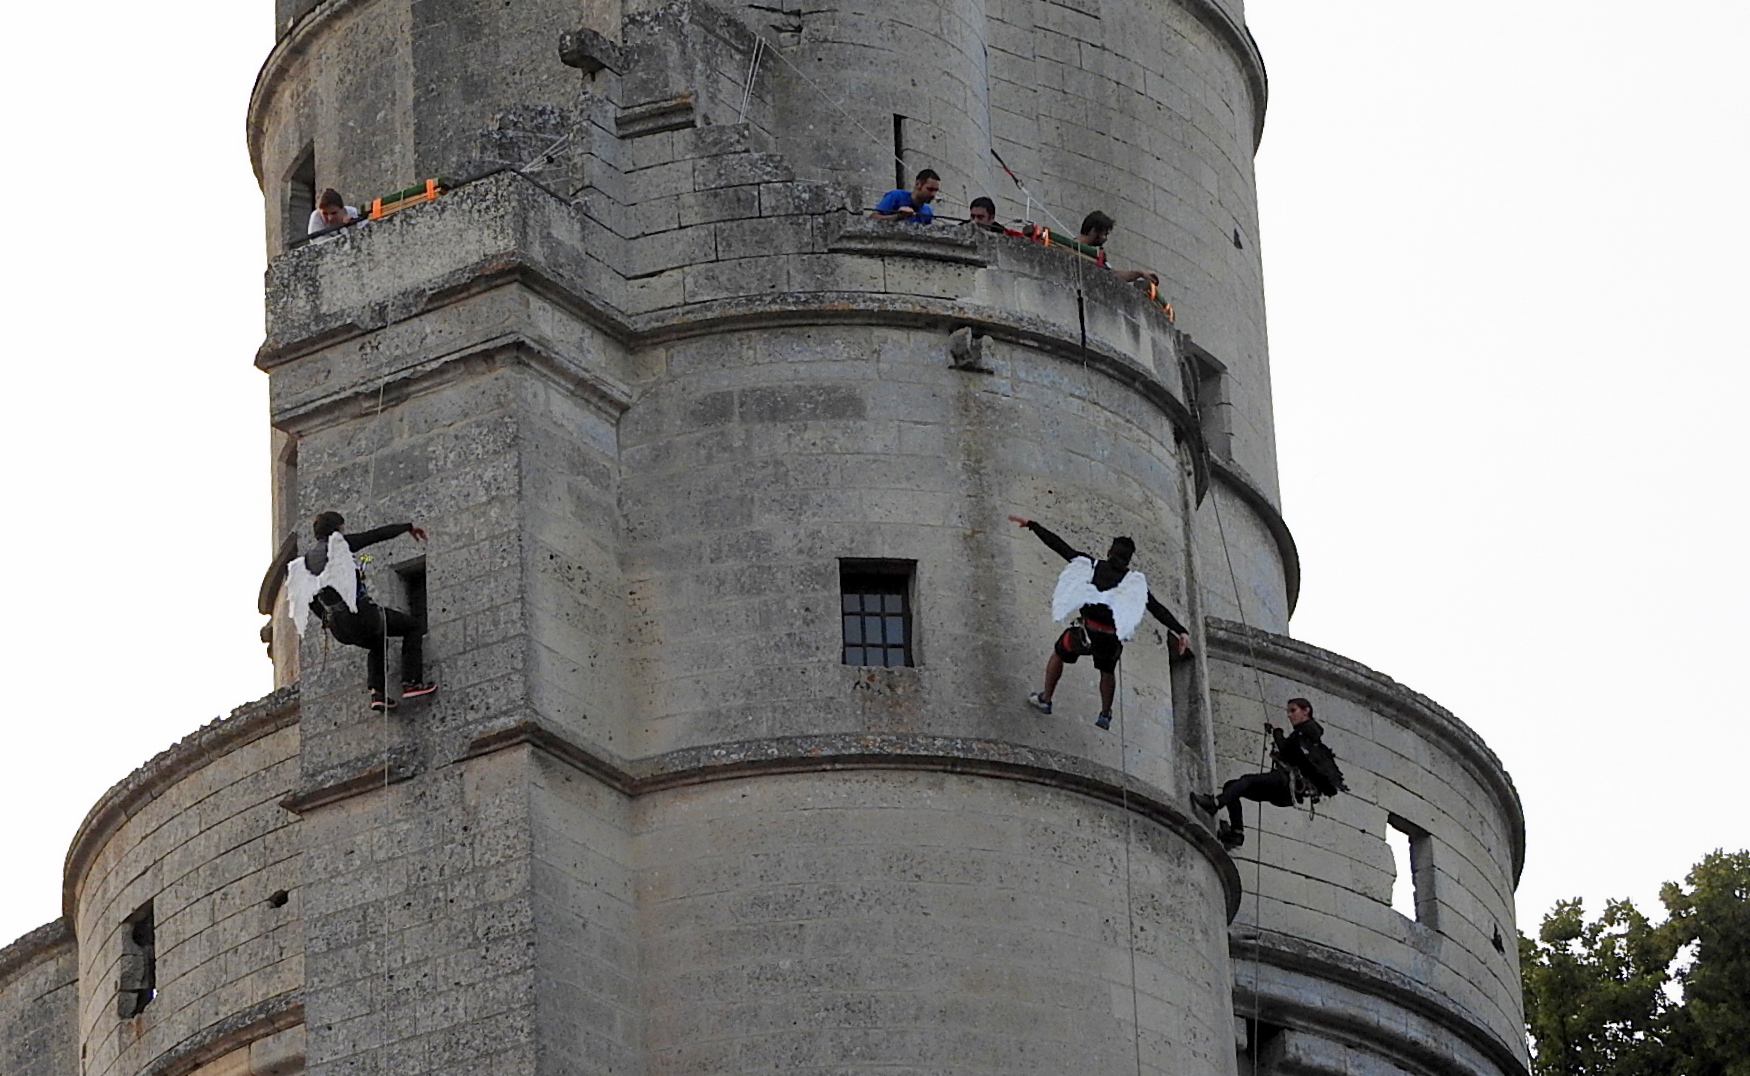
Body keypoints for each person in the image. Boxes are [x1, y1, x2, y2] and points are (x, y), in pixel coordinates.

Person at [1009, 515, 1192, 730]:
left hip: (1085, 634)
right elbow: (1156, 608)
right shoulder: (1133, 583)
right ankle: (1105, 714)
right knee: (1107, 671)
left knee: (1059, 653)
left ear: (1109, 552)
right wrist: (1180, 630)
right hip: (1109, 640)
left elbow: (1061, 547)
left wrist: (1033, 526)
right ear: (1128, 559)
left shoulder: (1092, 566)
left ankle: (1046, 699)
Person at [282, 511, 436, 710]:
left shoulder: (306, 563)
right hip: (362, 616)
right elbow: (375, 535)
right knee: (412, 627)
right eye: (342, 527)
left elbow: (309, 599)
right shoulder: (339, 545)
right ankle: (411, 682)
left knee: (377, 642)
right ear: (336, 529)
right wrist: (407, 527)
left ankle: (377, 693)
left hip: (339, 628)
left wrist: (325, 617)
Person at [1191, 698, 1348, 848]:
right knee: (1232, 786)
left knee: (1247, 780)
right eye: (1288, 711)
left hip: (1286, 784)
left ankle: (1215, 803)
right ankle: (1236, 833)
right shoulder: (1304, 735)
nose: (1289, 715)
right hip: (1283, 791)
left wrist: (1277, 731)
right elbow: (1291, 752)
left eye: (1293, 710)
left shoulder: (1308, 730)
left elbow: (1287, 749)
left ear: (1306, 711)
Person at [1076, 210, 1159, 286]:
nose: (1106, 239)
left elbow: (1113, 274)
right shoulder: (1071, 247)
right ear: (1093, 231)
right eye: (1105, 234)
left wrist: (1140, 273)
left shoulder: (1094, 255)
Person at [869, 169, 940, 224]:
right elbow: (872, 218)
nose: (933, 194)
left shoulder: (927, 211)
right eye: (930, 189)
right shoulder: (896, 196)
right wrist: (898, 217)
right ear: (918, 184)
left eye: (936, 190)